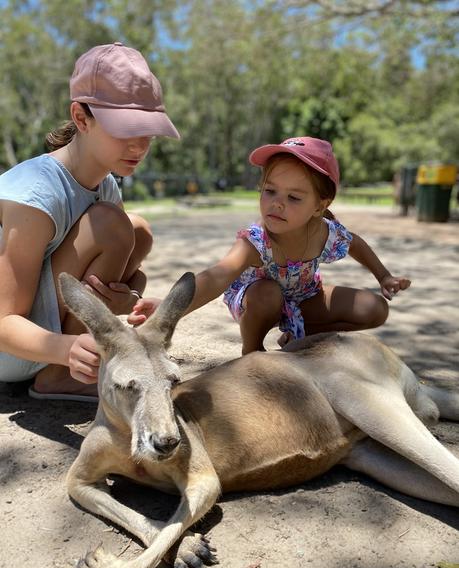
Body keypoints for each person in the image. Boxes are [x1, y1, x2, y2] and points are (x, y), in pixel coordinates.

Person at [0, 42, 180, 400]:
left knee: (137, 228)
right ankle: (58, 375)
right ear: (81, 118)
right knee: (111, 225)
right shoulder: (36, 193)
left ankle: (65, 365)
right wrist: (66, 349)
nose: (140, 146)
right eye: (126, 129)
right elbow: (3, 324)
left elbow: (128, 274)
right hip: (15, 349)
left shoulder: (106, 184)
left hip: (47, 329)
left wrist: (128, 298)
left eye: (147, 130)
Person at [132, 136, 411, 354]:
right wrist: (169, 307)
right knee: (268, 293)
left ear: (320, 206)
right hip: (257, 301)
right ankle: (252, 350)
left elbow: (356, 244)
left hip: (304, 297)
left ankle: (300, 336)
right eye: (270, 191)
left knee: (375, 309)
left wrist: (383, 276)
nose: (277, 203)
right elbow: (216, 276)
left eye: (294, 197)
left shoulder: (325, 232)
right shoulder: (256, 241)